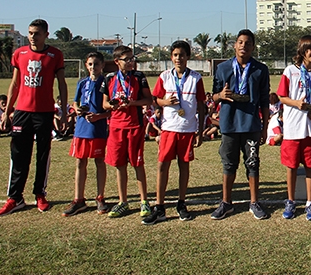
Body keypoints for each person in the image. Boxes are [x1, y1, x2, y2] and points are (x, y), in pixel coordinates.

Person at [0, 19, 68, 216]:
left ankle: (40, 194)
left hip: (44, 113)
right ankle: (14, 197)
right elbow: (14, 84)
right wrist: (7, 112)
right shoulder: (20, 54)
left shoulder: (55, 55)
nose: (32, 37)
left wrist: (63, 113)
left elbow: (62, 84)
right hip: (22, 112)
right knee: (19, 155)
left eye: (36, 33)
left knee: (42, 155)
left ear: (46, 34)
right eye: (30, 33)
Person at [143, 40, 206, 225]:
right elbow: (155, 100)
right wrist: (165, 102)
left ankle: (181, 203)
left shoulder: (196, 78)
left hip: (187, 129)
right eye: (175, 55)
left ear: (188, 57)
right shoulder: (164, 77)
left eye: (182, 55)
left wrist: (200, 131)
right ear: (172, 57)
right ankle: (160, 206)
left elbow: (201, 106)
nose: (179, 58)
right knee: (163, 165)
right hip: (169, 128)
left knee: (184, 166)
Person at [211, 30, 270, 220]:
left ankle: (254, 202)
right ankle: (226, 203)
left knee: (252, 164)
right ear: (235, 45)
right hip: (229, 125)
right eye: (240, 42)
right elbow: (213, 96)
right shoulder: (223, 68)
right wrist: (220, 96)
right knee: (229, 164)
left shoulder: (261, 69)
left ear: (253, 47)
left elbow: (264, 101)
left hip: (251, 125)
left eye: (248, 43)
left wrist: (265, 127)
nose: (244, 46)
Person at [277, 35, 311, 221]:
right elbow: (282, 97)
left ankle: (310, 202)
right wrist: (296, 103)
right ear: (302, 51)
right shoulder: (290, 71)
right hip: (293, 128)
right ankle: (291, 200)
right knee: (292, 166)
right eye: (309, 49)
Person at [101, 45, 153, 218]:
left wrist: (132, 103)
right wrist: (113, 105)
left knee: (137, 164)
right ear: (117, 62)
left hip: (134, 125)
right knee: (119, 165)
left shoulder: (139, 77)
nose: (131, 62)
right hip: (116, 126)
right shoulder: (109, 78)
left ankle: (144, 201)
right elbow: (105, 104)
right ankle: (123, 201)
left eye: (132, 59)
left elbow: (148, 99)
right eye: (127, 59)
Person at [63, 52, 110, 216]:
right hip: (81, 128)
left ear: (102, 65)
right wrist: (77, 109)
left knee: (99, 161)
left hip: (98, 128)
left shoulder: (106, 82)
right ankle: (79, 199)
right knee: (80, 162)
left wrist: (99, 116)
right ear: (86, 65)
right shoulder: (82, 82)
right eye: (90, 64)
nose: (93, 67)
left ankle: (100, 197)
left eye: (96, 64)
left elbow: (111, 109)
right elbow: (76, 101)